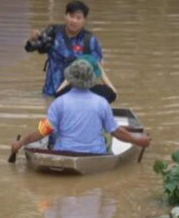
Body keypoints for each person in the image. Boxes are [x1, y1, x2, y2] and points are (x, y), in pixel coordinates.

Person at [10, 59, 150, 157]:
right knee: (107, 135)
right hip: (95, 154)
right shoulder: (101, 103)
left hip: (64, 153)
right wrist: (138, 140)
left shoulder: (59, 102)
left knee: (53, 132)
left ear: (70, 79)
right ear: (92, 80)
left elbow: (42, 132)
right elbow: (116, 132)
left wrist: (20, 143)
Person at [25, 0, 117, 108]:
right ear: (65, 16)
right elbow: (30, 48)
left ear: (84, 20)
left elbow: (98, 67)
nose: (74, 21)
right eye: (71, 16)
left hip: (79, 96)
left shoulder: (90, 40)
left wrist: (111, 90)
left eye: (78, 18)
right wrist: (32, 39)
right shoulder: (53, 32)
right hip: (52, 93)